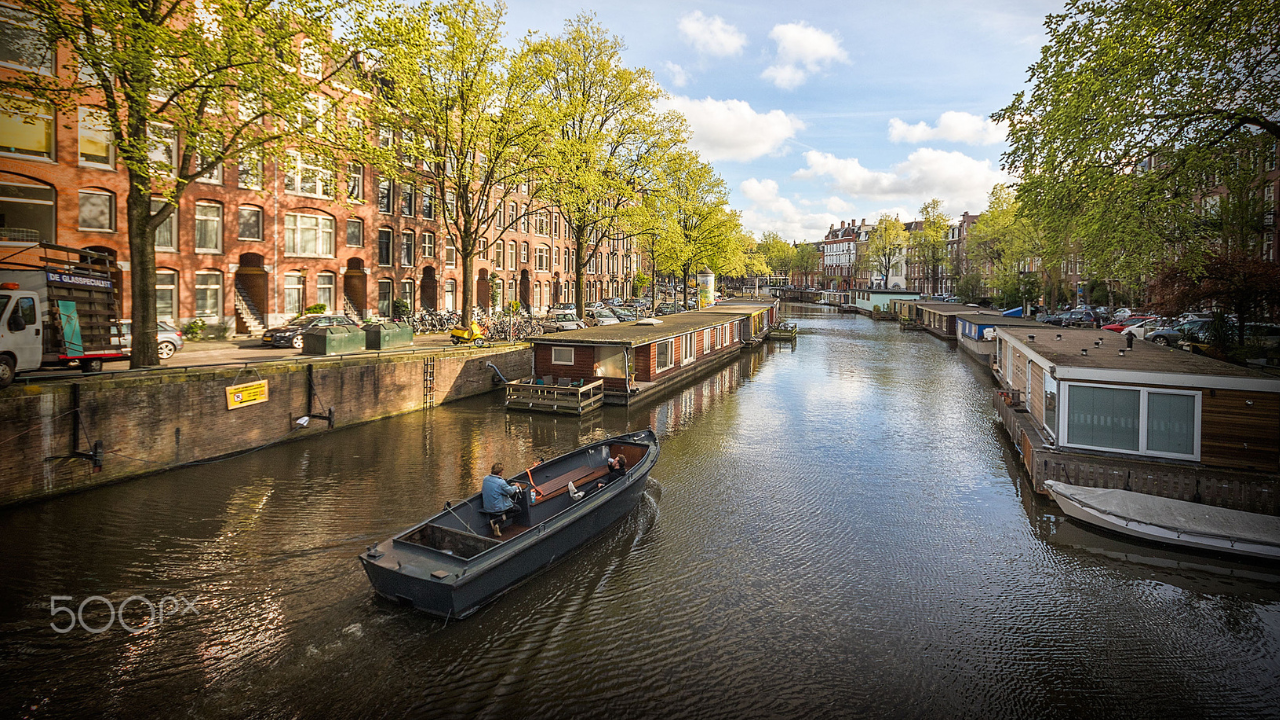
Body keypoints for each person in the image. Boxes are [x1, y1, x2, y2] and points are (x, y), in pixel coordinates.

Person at [481, 463, 521, 536]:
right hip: (497, 508)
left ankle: (497, 522)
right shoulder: (501, 482)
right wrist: (516, 486)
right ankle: (497, 521)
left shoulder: (485, 479)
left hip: (487, 506)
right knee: (517, 509)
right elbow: (511, 492)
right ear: (499, 473)